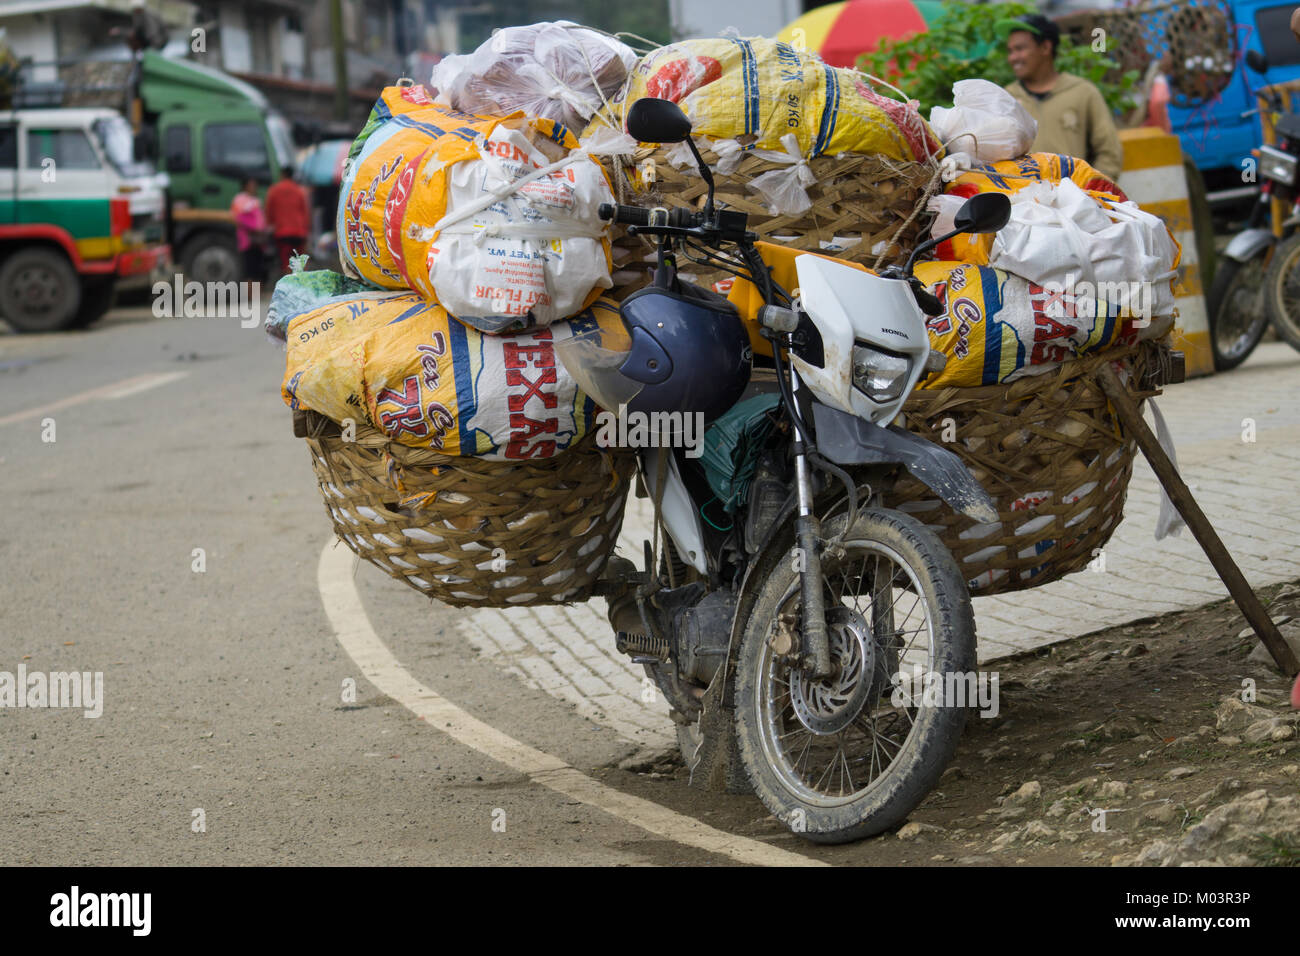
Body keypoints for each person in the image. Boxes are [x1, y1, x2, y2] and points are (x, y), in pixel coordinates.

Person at [998, 13, 1124, 181]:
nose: (1013, 58)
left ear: (1045, 48)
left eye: (1020, 49)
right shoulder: (1005, 99)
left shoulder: (1082, 92)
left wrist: (1090, 192)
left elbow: (1109, 152)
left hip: (1076, 202)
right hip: (1022, 202)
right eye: (1010, 51)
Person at [264, 165, 310, 274]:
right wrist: (306, 231)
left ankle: (288, 287)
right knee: (299, 264)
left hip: (282, 233)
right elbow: (305, 212)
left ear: (282, 175)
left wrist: (270, 225)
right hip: (299, 232)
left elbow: (269, 212)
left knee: (286, 263)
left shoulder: (274, 190)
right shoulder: (299, 191)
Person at [231, 178, 268, 283]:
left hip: (259, 240)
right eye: (251, 185)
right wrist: (254, 228)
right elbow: (238, 218)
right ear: (245, 186)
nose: (254, 188)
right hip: (247, 240)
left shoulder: (256, 200)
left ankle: (255, 296)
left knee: (257, 270)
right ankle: (251, 296)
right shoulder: (239, 200)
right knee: (249, 270)